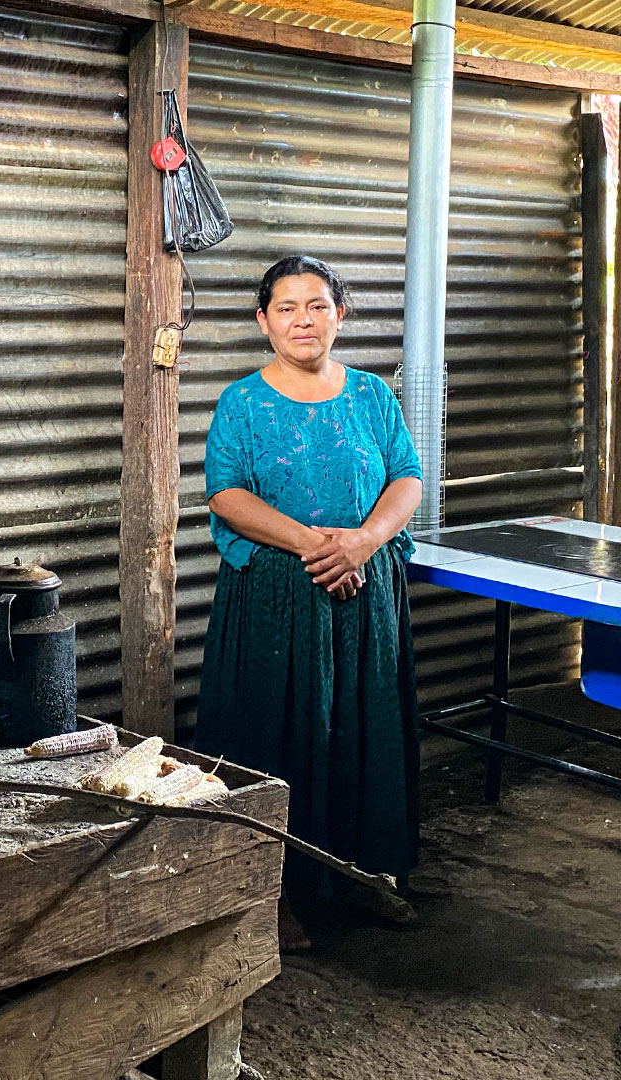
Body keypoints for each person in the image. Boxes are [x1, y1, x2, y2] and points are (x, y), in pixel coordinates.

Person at [194, 254, 424, 950]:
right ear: (263, 321)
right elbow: (225, 494)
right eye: (287, 307)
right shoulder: (242, 404)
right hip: (275, 604)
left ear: (340, 315)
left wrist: (364, 543)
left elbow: (407, 478)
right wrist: (316, 548)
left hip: (365, 601)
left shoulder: (373, 396)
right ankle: (272, 893)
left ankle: (367, 873)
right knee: (274, 737)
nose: (304, 320)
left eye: (318, 305)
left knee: (366, 732)